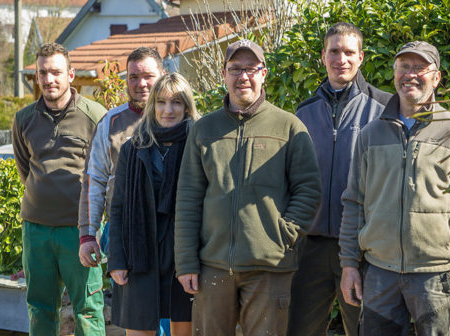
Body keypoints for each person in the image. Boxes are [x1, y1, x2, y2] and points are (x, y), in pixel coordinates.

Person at [338, 41, 450, 335]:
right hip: (380, 273)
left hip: (436, 276)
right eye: (404, 67)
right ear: (394, 73)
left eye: (420, 68)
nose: (410, 75)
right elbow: (354, 202)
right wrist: (349, 263)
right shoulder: (370, 135)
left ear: (436, 77)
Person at [174, 39, 322, 336]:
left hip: (269, 267)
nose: (243, 76)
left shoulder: (289, 127)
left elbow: (309, 190)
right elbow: (188, 197)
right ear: (224, 74)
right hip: (212, 266)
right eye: (235, 69)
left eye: (251, 69)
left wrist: (283, 234)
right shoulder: (205, 129)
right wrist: (186, 261)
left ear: (263, 73)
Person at [289, 22, 391, 336]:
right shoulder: (303, 113)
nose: (341, 59)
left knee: (366, 330)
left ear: (361, 57)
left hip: (364, 248)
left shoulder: (384, 108)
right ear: (323, 56)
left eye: (349, 52)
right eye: (334, 51)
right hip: (312, 248)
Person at [11, 42, 106, 335]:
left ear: (71, 74)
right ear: (37, 76)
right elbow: (25, 168)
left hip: (80, 231)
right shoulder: (24, 119)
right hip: (37, 230)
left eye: (56, 72)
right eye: (42, 73)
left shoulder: (95, 116)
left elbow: (105, 171)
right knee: (39, 306)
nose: (49, 79)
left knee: (88, 309)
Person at [105, 72, 199, 336]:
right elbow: (119, 207)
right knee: (139, 330)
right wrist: (117, 260)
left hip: (184, 255)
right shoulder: (132, 149)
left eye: (177, 103)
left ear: (187, 107)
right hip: (140, 255)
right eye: (161, 102)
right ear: (152, 106)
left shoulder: (199, 146)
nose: (168, 110)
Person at [78, 47, 165, 267]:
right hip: (122, 231)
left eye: (148, 77)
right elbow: (94, 180)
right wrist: (89, 235)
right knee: (127, 301)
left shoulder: (182, 119)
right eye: (133, 77)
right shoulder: (110, 122)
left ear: (163, 76)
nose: (141, 84)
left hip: (169, 231)